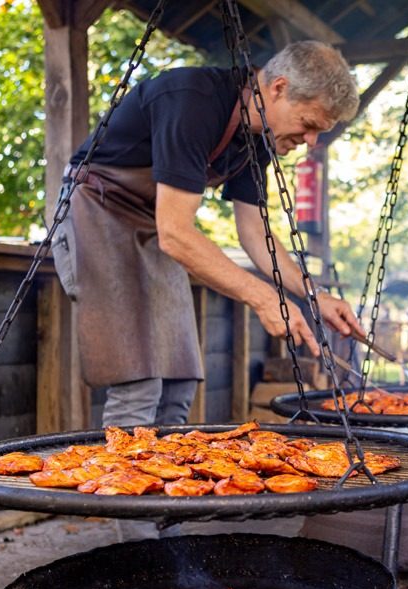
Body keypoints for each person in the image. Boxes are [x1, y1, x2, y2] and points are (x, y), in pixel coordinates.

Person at [49, 41, 363, 428]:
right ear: (278, 88)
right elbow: (176, 234)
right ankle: (122, 483)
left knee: (179, 380)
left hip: (154, 223)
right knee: (139, 381)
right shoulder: (192, 101)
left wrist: (315, 295)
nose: (311, 142)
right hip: (96, 210)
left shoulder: (256, 140)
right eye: (310, 125)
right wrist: (263, 297)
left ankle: (168, 483)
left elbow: (255, 231)